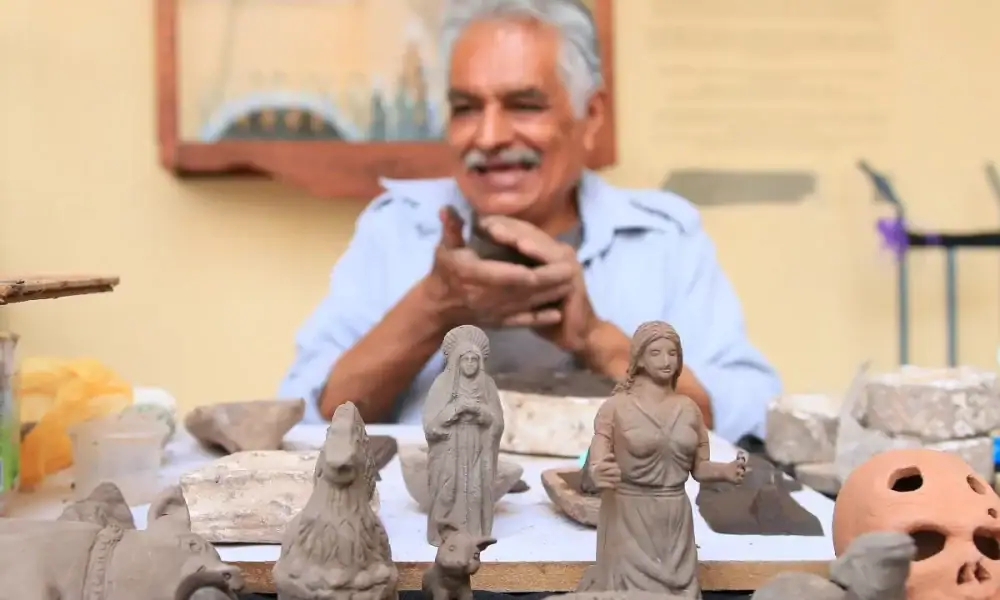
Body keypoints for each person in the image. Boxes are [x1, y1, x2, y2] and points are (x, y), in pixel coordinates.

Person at [279, 0, 781, 443]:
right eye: (466, 108)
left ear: (593, 115)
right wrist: (434, 305)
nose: (490, 136)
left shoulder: (662, 237)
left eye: (524, 105)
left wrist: (594, 338)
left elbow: (743, 417)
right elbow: (309, 415)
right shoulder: (396, 228)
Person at [580, 321, 746, 597]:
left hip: (674, 516)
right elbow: (597, 455)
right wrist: (597, 471)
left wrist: (726, 471)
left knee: (678, 592)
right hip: (629, 515)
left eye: (673, 353)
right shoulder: (616, 408)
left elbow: (699, 468)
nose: (666, 360)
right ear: (640, 359)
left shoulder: (689, 410)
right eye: (656, 353)